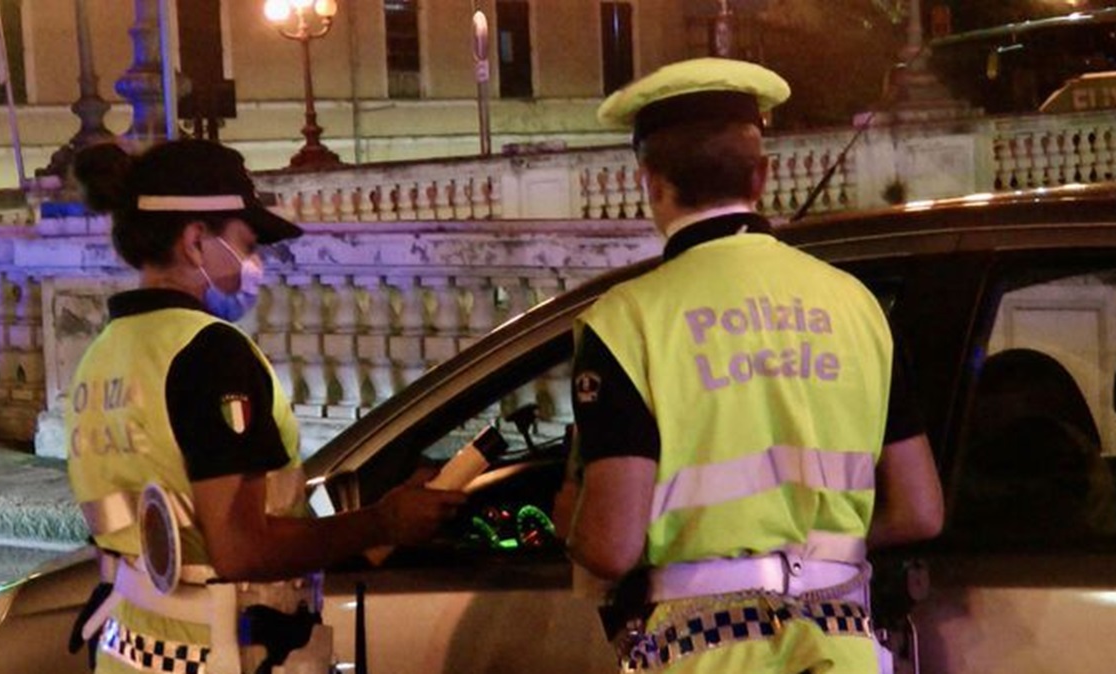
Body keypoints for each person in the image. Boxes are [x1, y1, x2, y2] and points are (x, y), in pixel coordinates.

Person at [558, 59, 944, 674]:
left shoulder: (627, 321)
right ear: (761, 177)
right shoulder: (857, 306)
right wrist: (816, 554)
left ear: (652, 182)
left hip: (704, 652)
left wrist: (568, 508)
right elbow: (921, 509)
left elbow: (610, 545)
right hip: (842, 643)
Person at [64, 139, 466, 674]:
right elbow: (241, 548)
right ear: (194, 240)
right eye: (246, 244)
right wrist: (383, 522)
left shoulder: (103, 353)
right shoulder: (211, 352)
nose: (254, 265)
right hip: (227, 657)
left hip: (133, 655)